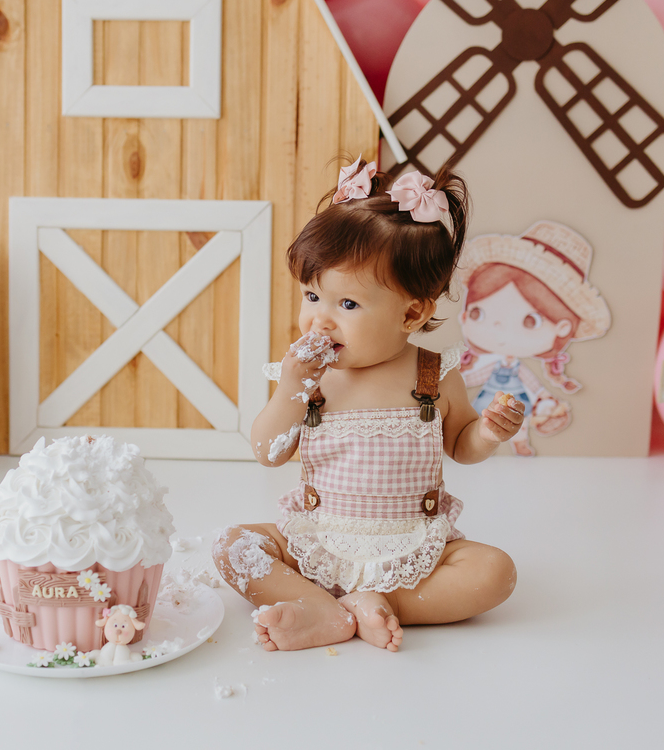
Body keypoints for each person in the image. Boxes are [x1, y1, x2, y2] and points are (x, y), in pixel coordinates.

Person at [212, 157, 524, 652]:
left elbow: (461, 445)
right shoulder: (310, 379)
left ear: (412, 313)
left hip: (411, 547)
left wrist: (488, 433)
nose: (320, 321)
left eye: (348, 305)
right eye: (311, 296)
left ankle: (382, 601)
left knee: (494, 572)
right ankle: (318, 605)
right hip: (319, 539)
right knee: (234, 546)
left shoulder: (433, 376)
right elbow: (269, 453)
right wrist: (292, 388)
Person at [456, 221, 612, 456]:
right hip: (488, 400)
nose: (499, 327)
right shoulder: (492, 362)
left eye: (530, 321)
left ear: (561, 328)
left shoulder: (516, 367)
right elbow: (475, 376)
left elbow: (532, 383)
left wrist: (544, 397)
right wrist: (455, 384)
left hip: (516, 401)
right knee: (483, 421)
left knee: (518, 420)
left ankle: (519, 444)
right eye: (479, 313)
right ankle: (482, 446)